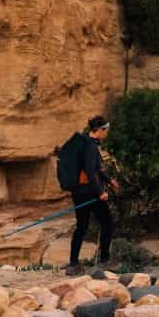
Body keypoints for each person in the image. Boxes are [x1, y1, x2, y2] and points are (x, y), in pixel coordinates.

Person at [55, 115, 115, 269]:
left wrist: (109, 180)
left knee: (82, 226)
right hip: (90, 192)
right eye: (106, 131)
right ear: (100, 130)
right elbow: (90, 171)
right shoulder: (90, 146)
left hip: (79, 192)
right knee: (107, 223)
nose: (107, 134)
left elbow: (95, 170)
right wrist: (100, 192)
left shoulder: (86, 143)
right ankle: (104, 260)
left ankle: (73, 262)